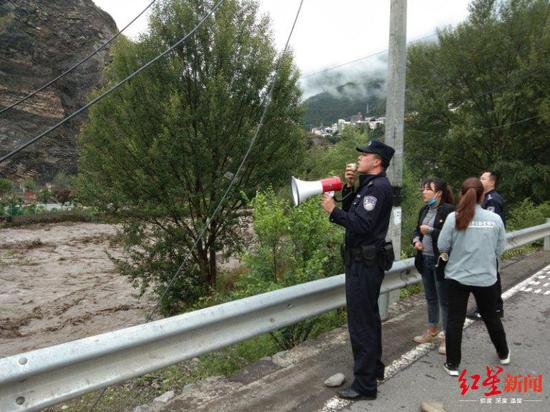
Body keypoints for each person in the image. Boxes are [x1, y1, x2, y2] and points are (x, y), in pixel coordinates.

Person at [321, 140, 395, 400]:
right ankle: (373, 369)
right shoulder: (372, 186)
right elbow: (356, 210)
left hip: (363, 265)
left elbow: (360, 224)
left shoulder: (377, 189)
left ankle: (364, 386)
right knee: (370, 320)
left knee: (361, 324)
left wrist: (332, 211)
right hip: (363, 263)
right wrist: (350, 186)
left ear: (376, 161)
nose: (359, 158)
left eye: (365, 155)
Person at [437, 177, 510, 376]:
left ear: (462, 194)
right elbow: (500, 249)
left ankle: (452, 365)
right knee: (491, 317)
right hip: (486, 278)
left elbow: (442, 246)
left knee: (454, 320)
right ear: (482, 195)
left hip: (457, 278)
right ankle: (503, 354)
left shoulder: (454, 217)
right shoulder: (494, 220)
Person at [411, 178, 455, 355]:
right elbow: (416, 230)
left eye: (428, 189)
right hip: (425, 259)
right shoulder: (425, 209)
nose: (423, 192)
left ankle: (447, 336)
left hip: (441, 261)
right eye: (423, 189)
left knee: (444, 300)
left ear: (438, 193)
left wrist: (429, 231)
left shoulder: (449, 211)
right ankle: (432, 330)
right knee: (430, 297)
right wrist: (416, 241)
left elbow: (452, 236)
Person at [467, 170, 506, 320]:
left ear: (492, 182)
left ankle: (491, 309)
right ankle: (494, 308)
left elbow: (490, 226)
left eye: (483, 178)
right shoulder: (488, 198)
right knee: (492, 277)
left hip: (488, 247)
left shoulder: (492, 199)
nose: (480, 180)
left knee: (489, 278)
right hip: (488, 246)